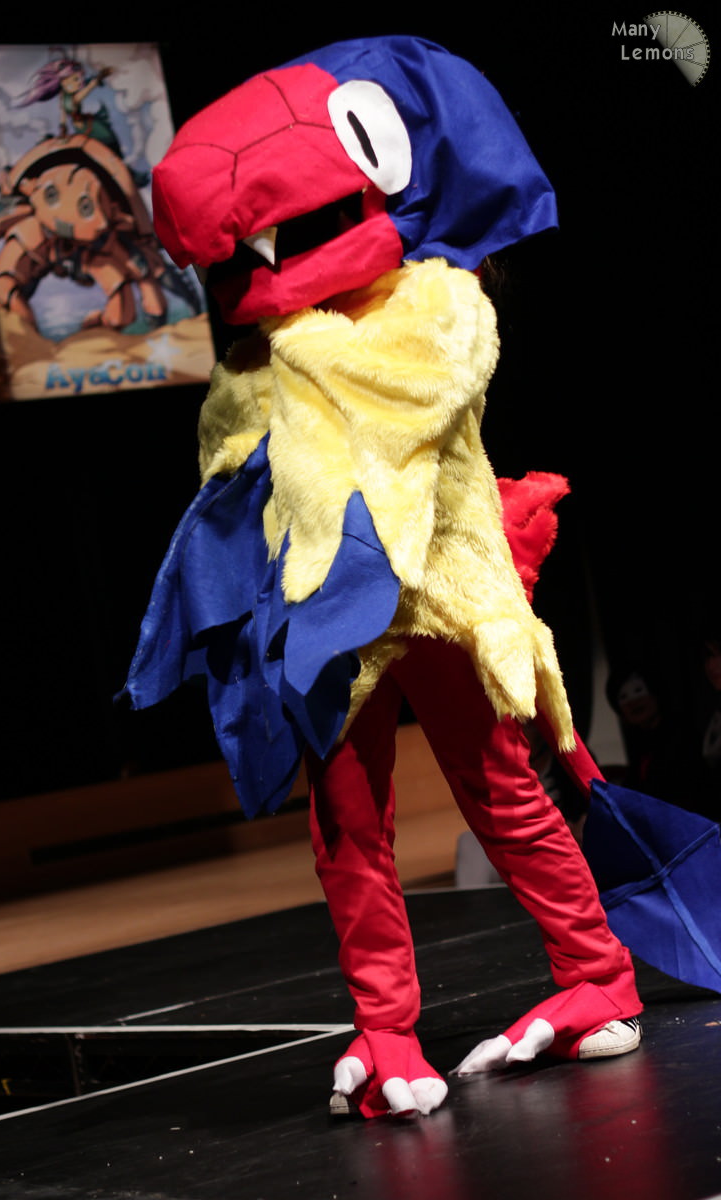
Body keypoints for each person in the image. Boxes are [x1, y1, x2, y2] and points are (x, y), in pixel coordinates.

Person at [123, 36, 642, 1119]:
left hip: (435, 593)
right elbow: (236, 482)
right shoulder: (257, 362)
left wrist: (289, 354)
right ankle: (386, 1032)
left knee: (502, 791)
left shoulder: (436, 309)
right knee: (346, 823)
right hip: (325, 619)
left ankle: (598, 978)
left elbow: (409, 404)